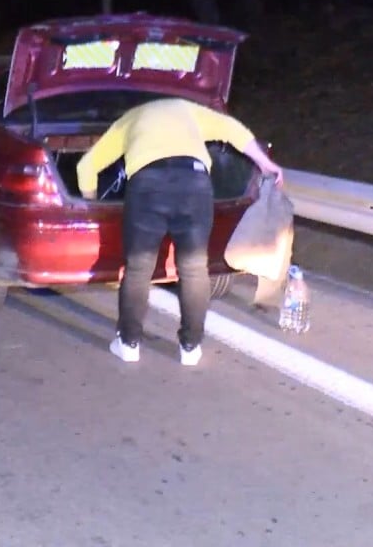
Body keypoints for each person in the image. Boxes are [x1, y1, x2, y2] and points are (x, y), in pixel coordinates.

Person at [76, 97, 284, 366]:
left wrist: (93, 205)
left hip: (148, 184)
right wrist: (265, 163)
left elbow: (85, 167)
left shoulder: (128, 120)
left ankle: (128, 344)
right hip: (194, 182)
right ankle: (190, 347)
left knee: (139, 268)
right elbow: (233, 130)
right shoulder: (187, 109)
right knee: (194, 267)